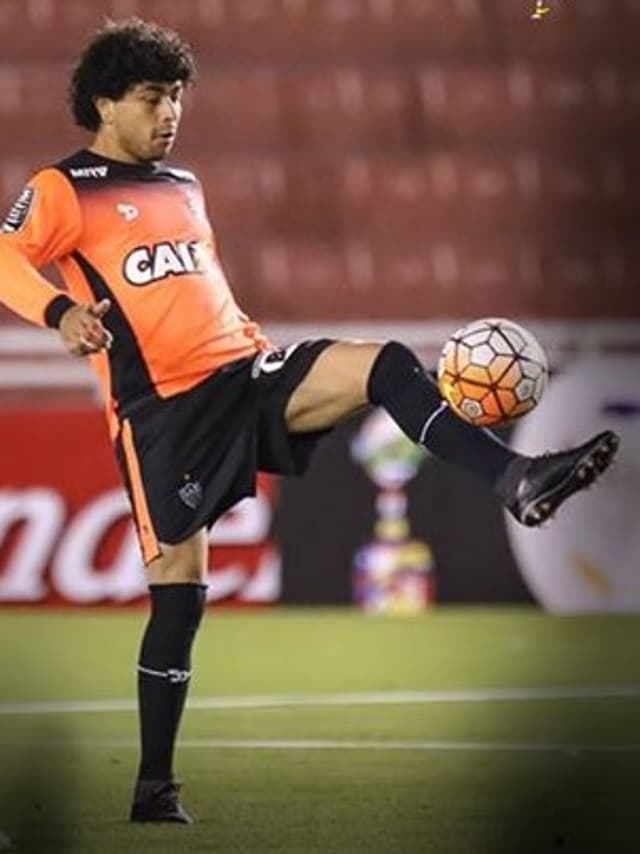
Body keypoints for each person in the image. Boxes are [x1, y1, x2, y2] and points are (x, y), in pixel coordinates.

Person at [0, 18, 619, 824]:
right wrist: (58, 312)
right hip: (166, 417)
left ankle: (516, 476)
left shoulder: (183, 186)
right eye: (152, 99)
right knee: (179, 602)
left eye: (178, 97)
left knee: (387, 363)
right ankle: (155, 786)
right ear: (105, 103)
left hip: (245, 374)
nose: (170, 114)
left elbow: (200, 293)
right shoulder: (65, 188)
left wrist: (255, 344)